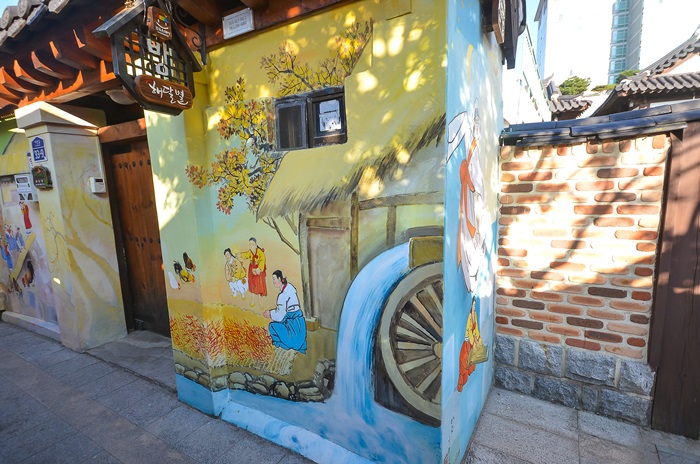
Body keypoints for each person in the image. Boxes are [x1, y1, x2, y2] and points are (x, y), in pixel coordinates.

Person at [263, 270, 307, 354]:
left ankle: (279, 344)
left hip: (292, 326)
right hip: (300, 325)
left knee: (272, 326)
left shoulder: (283, 295)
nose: (273, 282)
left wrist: (270, 313)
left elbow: (280, 316)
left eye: (274, 279)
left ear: (279, 279)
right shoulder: (290, 287)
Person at [237, 237, 266, 307]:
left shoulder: (260, 252)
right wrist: (240, 255)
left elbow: (262, 260)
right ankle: (252, 301)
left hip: (258, 270)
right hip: (251, 269)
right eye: (250, 244)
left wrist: (259, 269)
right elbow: (246, 255)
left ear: (256, 245)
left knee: (259, 286)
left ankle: (261, 303)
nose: (251, 246)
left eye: (252, 244)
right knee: (252, 285)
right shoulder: (250, 252)